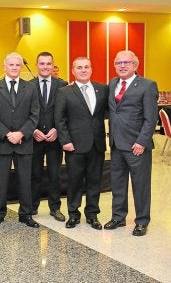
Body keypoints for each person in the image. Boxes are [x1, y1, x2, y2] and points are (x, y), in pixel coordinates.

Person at [105, 50, 158, 236]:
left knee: (140, 185)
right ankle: (118, 217)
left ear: (135, 65)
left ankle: (142, 221)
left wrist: (142, 142)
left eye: (127, 62)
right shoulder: (112, 84)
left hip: (137, 146)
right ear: (114, 65)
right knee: (117, 183)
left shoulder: (147, 85)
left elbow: (151, 118)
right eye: (119, 62)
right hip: (116, 145)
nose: (122, 65)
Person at [0, 52, 40, 228]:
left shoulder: (31, 88)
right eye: (11, 65)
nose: (15, 68)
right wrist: (7, 134)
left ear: (21, 67)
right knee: (1, 180)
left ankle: (26, 214)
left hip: (24, 142)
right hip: (3, 142)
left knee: (25, 179)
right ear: (4, 66)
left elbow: (34, 115)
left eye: (18, 65)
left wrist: (21, 133)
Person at [54, 57, 109, 230]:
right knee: (75, 181)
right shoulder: (64, 92)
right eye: (79, 67)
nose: (83, 70)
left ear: (91, 69)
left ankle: (92, 215)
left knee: (94, 181)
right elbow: (59, 119)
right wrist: (65, 141)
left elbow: (107, 113)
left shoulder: (103, 89)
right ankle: (73, 214)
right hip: (74, 146)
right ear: (73, 70)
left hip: (97, 145)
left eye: (86, 67)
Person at [30, 52, 68, 222]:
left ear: (53, 66)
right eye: (42, 63)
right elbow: (24, 112)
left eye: (48, 64)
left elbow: (67, 112)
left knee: (55, 174)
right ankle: (32, 206)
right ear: (37, 65)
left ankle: (55, 208)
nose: (45, 67)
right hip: (34, 138)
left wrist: (58, 130)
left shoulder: (62, 85)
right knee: (34, 174)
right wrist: (32, 130)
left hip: (54, 138)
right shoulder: (28, 86)